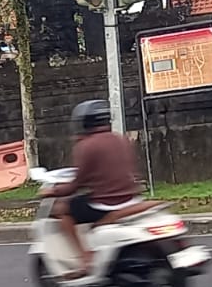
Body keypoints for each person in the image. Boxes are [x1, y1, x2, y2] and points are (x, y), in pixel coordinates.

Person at [41, 100, 143, 276]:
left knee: (61, 209)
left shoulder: (86, 146)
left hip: (105, 203)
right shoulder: (120, 139)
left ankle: (85, 258)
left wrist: (53, 191)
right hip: (131, 198)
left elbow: (76, 185)